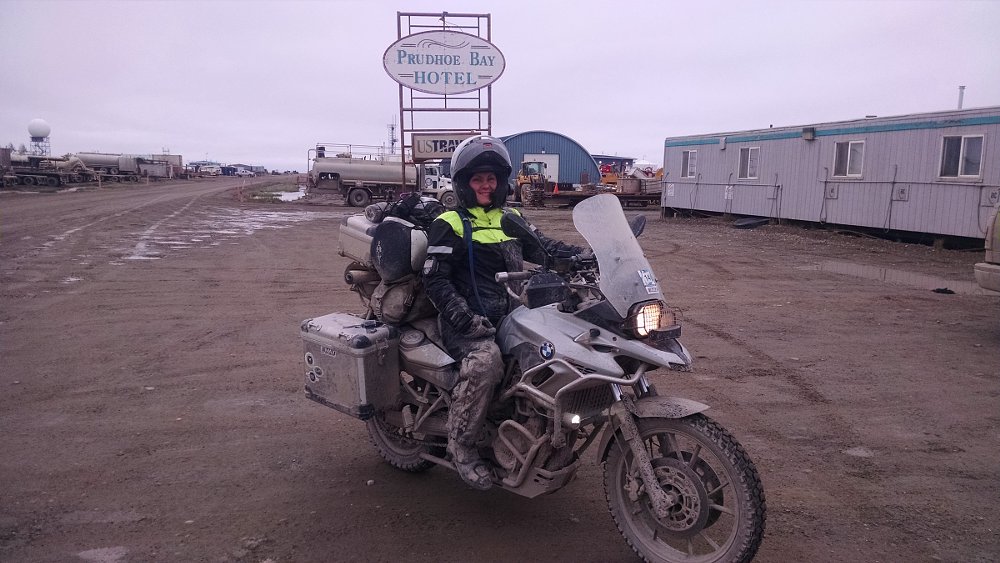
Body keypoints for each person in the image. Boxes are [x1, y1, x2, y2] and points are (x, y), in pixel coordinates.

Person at [422, 135, 582, 490]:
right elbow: (435, 280)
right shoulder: (450, 222)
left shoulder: (510, 217)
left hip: (511, 313)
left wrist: (585, 256)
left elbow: (544, 249)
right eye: (478, 179)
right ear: (464, 183)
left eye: (491, 178)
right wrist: (464, 318)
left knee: (552, 356)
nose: (486, 185)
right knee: (486, 363)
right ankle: (461, 446)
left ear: (501, 182)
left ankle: (533, 433)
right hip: (466, 322)